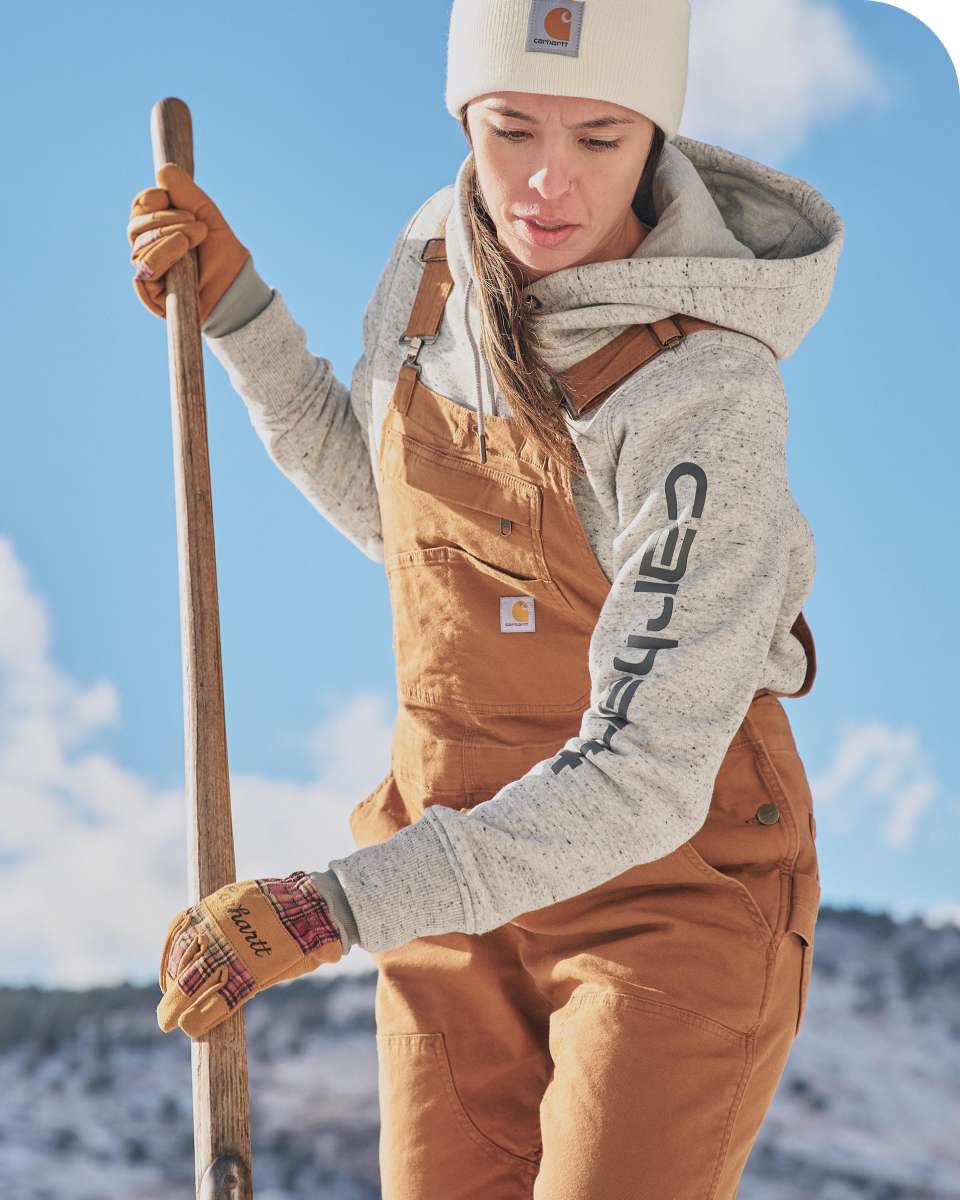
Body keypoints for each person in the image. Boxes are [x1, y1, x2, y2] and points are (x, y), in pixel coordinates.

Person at [129, 0, 845, 1194]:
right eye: (510, 128)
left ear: (656, 136)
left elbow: (644, 775)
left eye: (601, 138)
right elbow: (398, 521)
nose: (546, 183)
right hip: (449, 878)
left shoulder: (704, 390)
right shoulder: (430, 269)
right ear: (465, 113)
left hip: (666, 892)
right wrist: (240, 312)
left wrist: (332, 908)